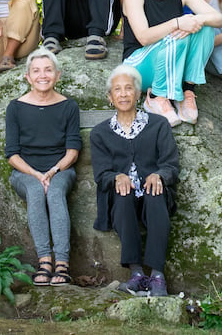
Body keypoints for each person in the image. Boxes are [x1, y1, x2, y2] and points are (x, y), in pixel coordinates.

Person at [91, 65, 179, 298]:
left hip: (155, 196)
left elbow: (171, 166)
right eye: (117, 90)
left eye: (128, 88)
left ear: (138, 94)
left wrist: (158, 174)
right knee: (122, 192)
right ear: (110, 98)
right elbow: (101, 174)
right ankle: (137, 274)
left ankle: (157, 275)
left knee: (154, 191)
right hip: (123, 199)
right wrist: (116, 176)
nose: (123, 94)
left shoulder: (158, 125)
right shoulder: (100, 133)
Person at [123, 0, 222, 126]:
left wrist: (197, 19)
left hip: (170, 60)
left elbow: (220, 19)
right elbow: (144, 37)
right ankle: (155, 97)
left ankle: (186, 90)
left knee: (205, 30)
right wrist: (178, 23)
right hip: (138, 64)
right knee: (177, 36)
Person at [5, 49, 81, 286]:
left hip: (60, 170)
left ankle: (62, 263)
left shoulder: (69, 106)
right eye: (36, 71)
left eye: (48, 70)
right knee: (36, 191)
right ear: (28, 77)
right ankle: (44, 260)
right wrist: (36, 174)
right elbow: (12, 154)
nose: (43, 75)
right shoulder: (16, 107)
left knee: (55, 192)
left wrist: (53, 171)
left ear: (57, 75)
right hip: (25, 171)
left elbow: (72, 151)